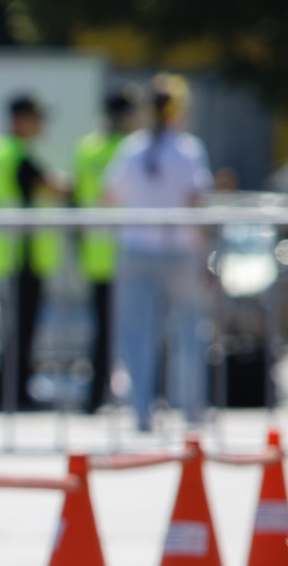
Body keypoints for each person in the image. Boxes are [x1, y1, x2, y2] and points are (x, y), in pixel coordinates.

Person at [101, 72, 214, 431]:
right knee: (188, 330)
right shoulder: (188, 150)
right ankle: (191, 407)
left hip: (136, 249)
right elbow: (196, 202)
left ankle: (141, 411)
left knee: (137, 333)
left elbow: (108, 196)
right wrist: (205, 255)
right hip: (180, 250)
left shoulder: (131, 148)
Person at [0, 93, 65, 413]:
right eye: (37, 118)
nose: (41, 125)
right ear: (22, 119)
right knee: (22, 329)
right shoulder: (16, 154)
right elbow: (50, 186)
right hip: (22, 253)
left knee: (15, 328)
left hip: (9, 251)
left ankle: (5, 390)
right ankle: (10, 392)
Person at [70, 85, 139, 413]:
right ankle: (142, 395)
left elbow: (75, 198)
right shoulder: (131, 149)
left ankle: (95, 398)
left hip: (96, 250)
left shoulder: (87, 148)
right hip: (129, 249)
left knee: (102, 330)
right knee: (139, 326)